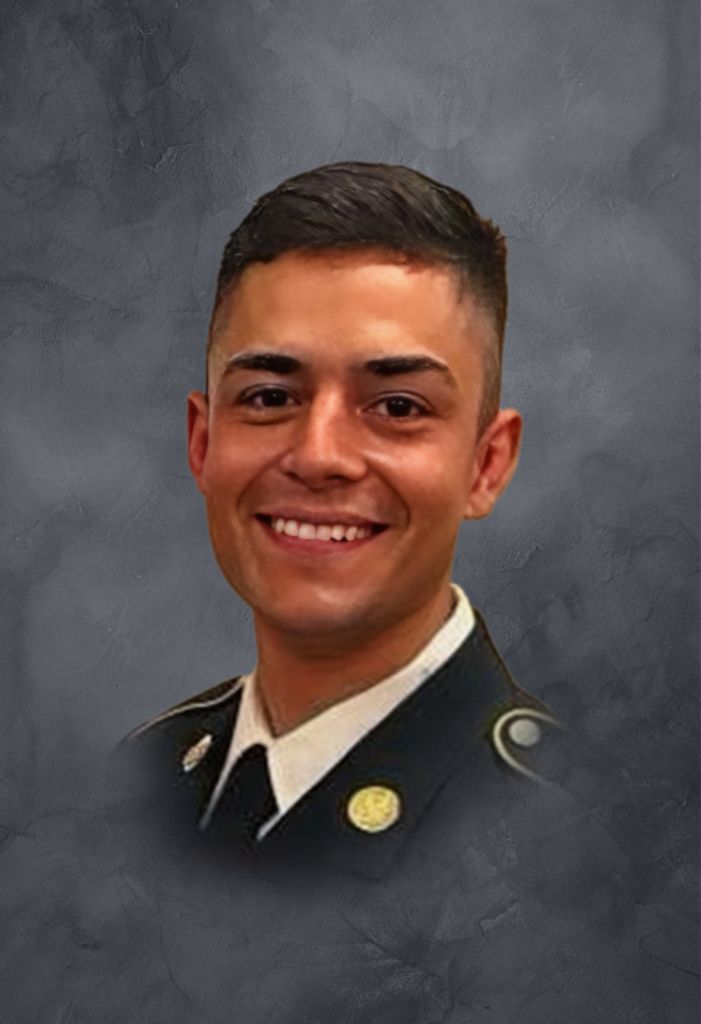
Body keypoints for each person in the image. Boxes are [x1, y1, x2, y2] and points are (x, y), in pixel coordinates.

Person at [119, 161, 563, 876]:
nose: (318, 456)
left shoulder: (572, 838)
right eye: (269, 397)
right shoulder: (138, 781)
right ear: (203, 445)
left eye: (398, 407)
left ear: (485, 465)